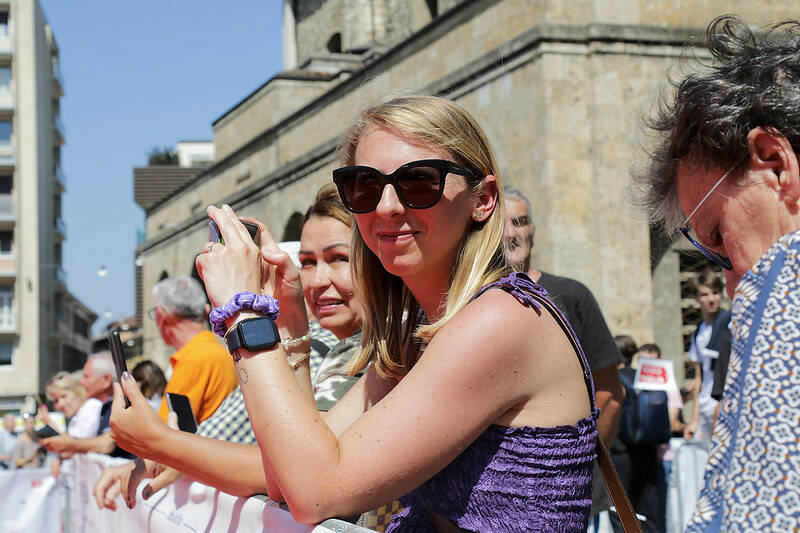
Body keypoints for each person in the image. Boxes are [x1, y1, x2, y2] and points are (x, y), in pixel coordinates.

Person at [109, 94, 598, 530]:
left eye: (419, 181)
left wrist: (244, 315)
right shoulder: (415, 335)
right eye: (364, 186)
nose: (386, 206)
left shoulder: (500, 320)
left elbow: (316, 494)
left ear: (483, 199)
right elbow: (288, 476)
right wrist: (289, 324)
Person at [94, 185, 368, 511]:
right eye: (307, 262)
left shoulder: (386, 349)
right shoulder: (332, 342)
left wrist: (162, 445)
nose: (318, 280)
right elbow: (287, 468)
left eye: (339, 258)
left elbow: (298, 474)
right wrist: (289, 325)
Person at [630, 15, 800, 530]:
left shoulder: (785, 280)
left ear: (774, 164)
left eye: (721, 240)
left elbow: (760, 515)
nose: (730, 283)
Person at [503, 185, 625, 522]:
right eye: (502, 224)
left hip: (574, 498)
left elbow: (610, 393)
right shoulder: (473, 301)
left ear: (533, 231)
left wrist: (572, 464)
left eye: (520, 222)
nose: (511, 233)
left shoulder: (571, 296)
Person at [150, 275, 238, 423]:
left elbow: (163, 435)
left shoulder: (193, 362)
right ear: (206, 311)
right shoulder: (221, 352)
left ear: (161, 316)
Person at [683, 270, 730, 447]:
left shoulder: (729, 323)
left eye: (715, 293)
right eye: (705, 294)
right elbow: (699, 378)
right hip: (706, 406)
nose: (711, 299)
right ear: (696, 298)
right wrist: (695, 419)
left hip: (724, 404)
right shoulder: (698, 333)